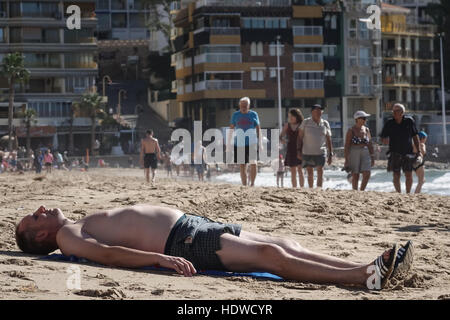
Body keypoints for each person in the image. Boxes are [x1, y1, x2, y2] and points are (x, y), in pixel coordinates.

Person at [15, 204, 414, 290]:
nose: (40, 210)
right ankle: (363, 278)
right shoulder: (68, 236)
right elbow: (105, 256)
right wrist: (160, 258)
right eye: (34, 219)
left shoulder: (75, 223)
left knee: (282, 242)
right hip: (183, 241)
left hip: (193, 226)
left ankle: (364, 266)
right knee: (271, 258)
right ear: (40, 238)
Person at [380, 103, 421, 194]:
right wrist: (384, 140)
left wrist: (418, 151)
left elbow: (415, 136)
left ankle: (407, 194)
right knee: (396, 175)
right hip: (394, 152)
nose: (394, 112)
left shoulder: (409, 121)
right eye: (393, 111)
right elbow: (383, 137)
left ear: (402, 112)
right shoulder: (389, 122)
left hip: (408, 152)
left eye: (396, 111)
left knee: (409, 174)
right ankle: (398, 193)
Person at [227, 97, 262, 187]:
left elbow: (259, 129)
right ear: (239, 105)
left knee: (253, 163)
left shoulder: (254, 114)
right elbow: (231, 129)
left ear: (249, 106)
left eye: (245, 105)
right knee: (242, 165)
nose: (243, 107)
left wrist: (260, 143)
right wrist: (228, 144)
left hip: (252, 142)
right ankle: (244, 185)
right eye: (242, 105)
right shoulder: (235, 115)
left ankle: (252, 184)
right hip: (239, 143)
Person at [297, 104, 333, 189]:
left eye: (320, 110)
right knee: (310, 172)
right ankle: (311, 189)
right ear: (312, 112)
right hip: (307, 151)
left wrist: (330, 153)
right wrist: (298, 150)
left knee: (320, 171)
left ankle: (319, 189)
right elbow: (299, 137)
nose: (318, 112)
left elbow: (328, 139)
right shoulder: (305, 122)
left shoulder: (325, 123)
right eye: (316, 110)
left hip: (321, 152)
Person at [344, 111, 375, 191]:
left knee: (367, 173)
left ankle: (362, 190)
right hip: (354, 151)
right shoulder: (351, 130)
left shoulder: (367, 130)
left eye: (365, 118)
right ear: (357, 119)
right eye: (363, 118)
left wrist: (372, 156)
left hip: (365, 151)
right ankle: (355, 191)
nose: (365, 120)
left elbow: (370, 143)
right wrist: (346, 160)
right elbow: (347, 146)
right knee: (355, 174)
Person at [280, 109, 305, 188]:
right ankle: (294, 188)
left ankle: (302, 188)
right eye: (289, 116)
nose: (290, 118)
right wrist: (282, 140)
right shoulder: (287, 125)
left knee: (300, 169)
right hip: (290, 148)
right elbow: (280, 136)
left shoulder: (302, 124)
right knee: (293, 171)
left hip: (300, 148)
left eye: (292, 116)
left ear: (297, 116)